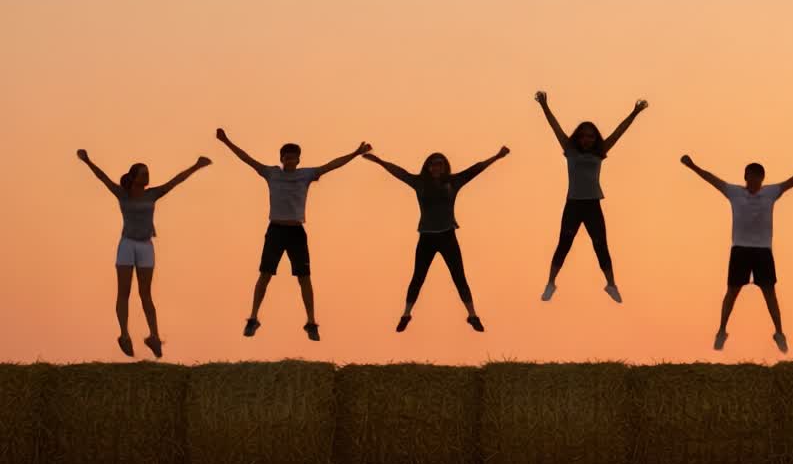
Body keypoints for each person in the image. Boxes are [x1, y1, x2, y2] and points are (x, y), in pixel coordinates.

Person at [216, 128, 370, 341]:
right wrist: (226, 141)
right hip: (276, 230)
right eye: (286, 157)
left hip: (296, 231)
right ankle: (253, 318)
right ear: (281, 159)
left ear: (298, 160)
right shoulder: (272, 173)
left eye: (293, 158)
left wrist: (355, 153)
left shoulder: (306, 175)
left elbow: (332, 165)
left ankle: (311, 322)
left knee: (304, 278)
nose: (289, 161)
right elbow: (247, 159)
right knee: (265, 275)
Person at [682, 154, 793, 353]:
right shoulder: (734, 192)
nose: (752, 181)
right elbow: (711, 179)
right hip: (740, 249)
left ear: (761, 178)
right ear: (745, 177)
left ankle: (779, 333)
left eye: (756, 177)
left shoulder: (770, 192)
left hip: (762, 251)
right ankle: (721, 331)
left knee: (770, 293)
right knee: (732, 292)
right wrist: (692, 165)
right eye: (749, 177)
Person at [77, 149, 211, 358]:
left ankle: (154, 337)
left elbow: (175, 182)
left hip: (146, 246)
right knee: (124, 292)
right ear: (135, 177)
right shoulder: (123, 194)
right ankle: (124, 335)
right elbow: (102, 177)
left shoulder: (152, 194)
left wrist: (196, 166)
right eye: (144, 173)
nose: (148, 176)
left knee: (145, 294)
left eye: (148, 173)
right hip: (127, 245)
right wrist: (87, 160)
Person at [363, 146, 510, 333]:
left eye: (439, 164)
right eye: (433, 164)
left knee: (459, 277)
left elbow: (476, 169)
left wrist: (496, 156)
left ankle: (472, 315)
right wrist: (379, 161)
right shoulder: (420, 183)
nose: (436, 167)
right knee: (418, 277)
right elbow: (399, 172)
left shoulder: (453, 182)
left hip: (447, 235)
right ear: (428, 167)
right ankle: (406, 314)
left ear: (444, 167)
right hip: (427, 237)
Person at [535, 90, 648, 303]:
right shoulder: (570, 150)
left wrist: (635, 113)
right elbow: (555, 127)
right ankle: (550, 283)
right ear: (578, 137)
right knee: (564, 244)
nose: (587, 139)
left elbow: (618, 133)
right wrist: (544, 105)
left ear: (594, 139)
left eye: (590, 136)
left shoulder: (599, 151)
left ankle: (611, 284)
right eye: (583, 135)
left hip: (593, 204)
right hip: (574, 204)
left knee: (600, 244)